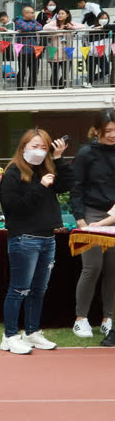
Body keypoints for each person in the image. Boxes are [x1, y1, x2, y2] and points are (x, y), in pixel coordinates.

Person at [0, 129, 71, 353]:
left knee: (39, 289)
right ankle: (9, 336)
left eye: (43, 147)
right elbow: (13, 207)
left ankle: (31, 332)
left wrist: (58, 159)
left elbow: (66, 185)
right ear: (23, 148)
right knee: (19, 288)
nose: (39, 151)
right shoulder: (13, 173)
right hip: (24, 238)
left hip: (48, 238)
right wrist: (40, 187)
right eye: (34, 146)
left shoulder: (46, 169)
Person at [71, 109, 115, 342]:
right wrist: (81, 221)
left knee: (113, 268)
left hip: (114, 215)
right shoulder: (86, 154)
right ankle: (81, 318)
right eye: (108, 131)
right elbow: (76, 188)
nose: (113, 135)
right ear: (97, 131)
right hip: (91, 215)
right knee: (92, 267)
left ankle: (108, 319)